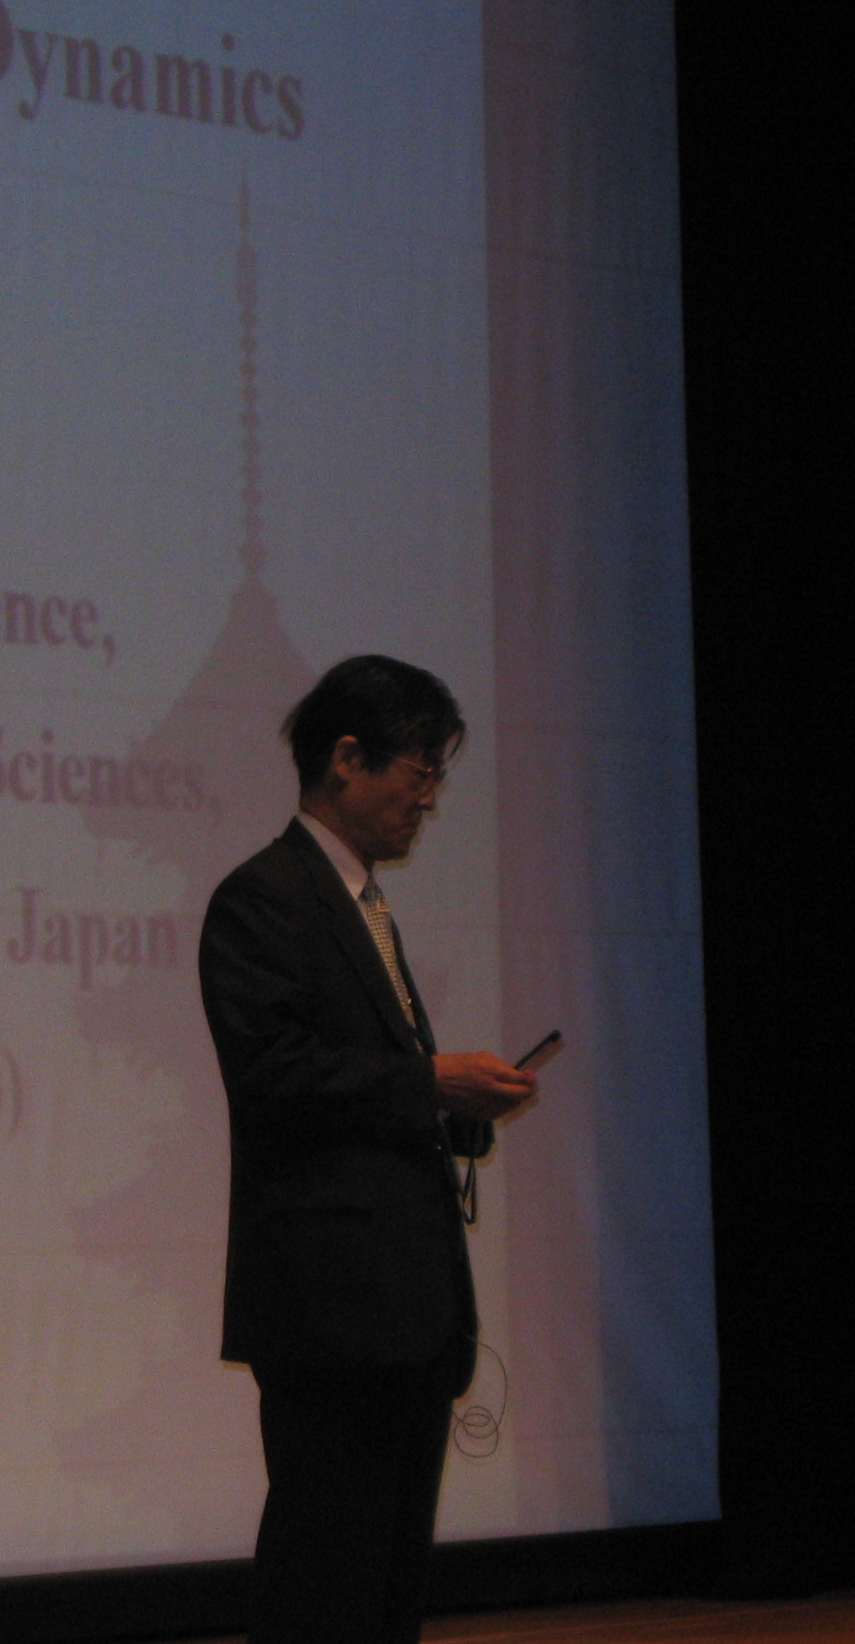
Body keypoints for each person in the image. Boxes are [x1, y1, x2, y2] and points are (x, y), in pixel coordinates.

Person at [199, 654, 537, 1644]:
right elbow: (272, 1075)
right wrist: (430, 1082)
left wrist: (458, 1110)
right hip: (331, 1311)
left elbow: (358, 1087)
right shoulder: (263, 897)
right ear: (347, 758)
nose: (428, 799)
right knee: (323, 1583)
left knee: (386, 1590)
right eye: (419, 771)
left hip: (405, 1311)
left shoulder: (362, 905)